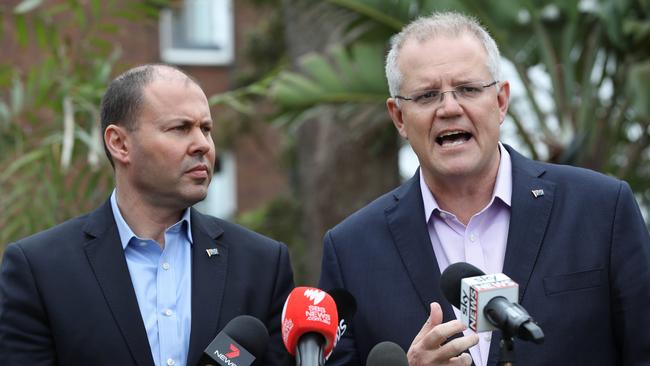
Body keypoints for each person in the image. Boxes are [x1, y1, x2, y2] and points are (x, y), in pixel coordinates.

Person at [318, 11, 650, 366]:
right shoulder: (351, 250)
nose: (449, 108)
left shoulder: (601, 209)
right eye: (427, 95)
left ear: (501, 101)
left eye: (468, 89)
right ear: (399, 117)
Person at [0, 64, 294, 366]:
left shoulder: (262, 264)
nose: (203, 145)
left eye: (206, 129)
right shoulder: (40, 269)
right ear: (119, 143)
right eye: (180, 128)